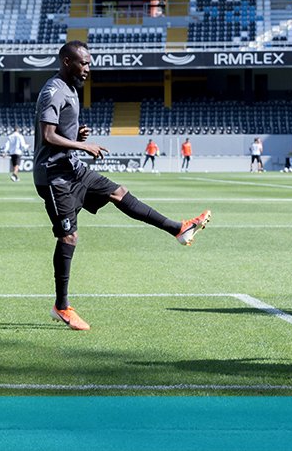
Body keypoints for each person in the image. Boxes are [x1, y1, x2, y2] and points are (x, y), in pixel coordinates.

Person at [33, 41, 211, 331]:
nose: (88, 68)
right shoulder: (53, 90)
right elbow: (47, 136)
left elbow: (60, 133)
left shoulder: (71, 89)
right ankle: (61, 307)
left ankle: (178, 229)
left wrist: (76, 135)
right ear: (66, 62)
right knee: (68, 237)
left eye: (89, 63)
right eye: (83, 63)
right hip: (55, 177)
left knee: (118, 192)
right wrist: (83, 145)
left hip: (73, 168)